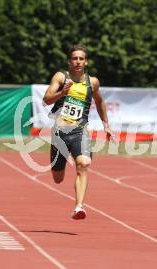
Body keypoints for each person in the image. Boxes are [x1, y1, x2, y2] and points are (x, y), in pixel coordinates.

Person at [42, 44, 113, 220]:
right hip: (60, 132)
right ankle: (60, 165)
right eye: (75, 58)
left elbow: (100, 102)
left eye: (81, 59)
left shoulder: (92, 82)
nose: (78, 62)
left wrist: (106, 124)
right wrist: (62, 93)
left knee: (83, 164)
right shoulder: (61, 77)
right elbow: (46, 99)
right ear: (69, 61)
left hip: (80, 131)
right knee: (58, 178)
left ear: (86, 62)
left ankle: (79, 207)